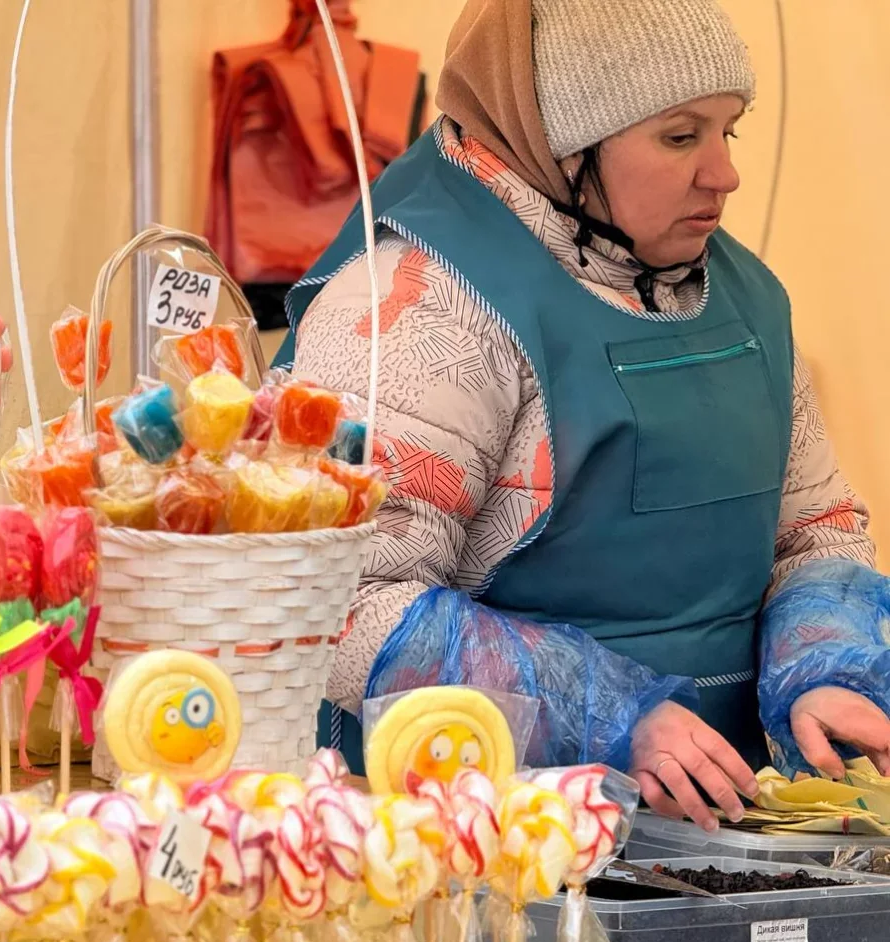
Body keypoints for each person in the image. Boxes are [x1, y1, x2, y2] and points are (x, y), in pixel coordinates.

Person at [273, 0, 890, 831]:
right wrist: (605, 712)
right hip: (470, 839)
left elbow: (815, 534)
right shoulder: (416, 310)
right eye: (680, 137)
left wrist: (826, 672)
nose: (722, 174)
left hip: (721, 833)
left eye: (727, 132)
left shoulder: (746, 301)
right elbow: (329, 600)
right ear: (563, 145)